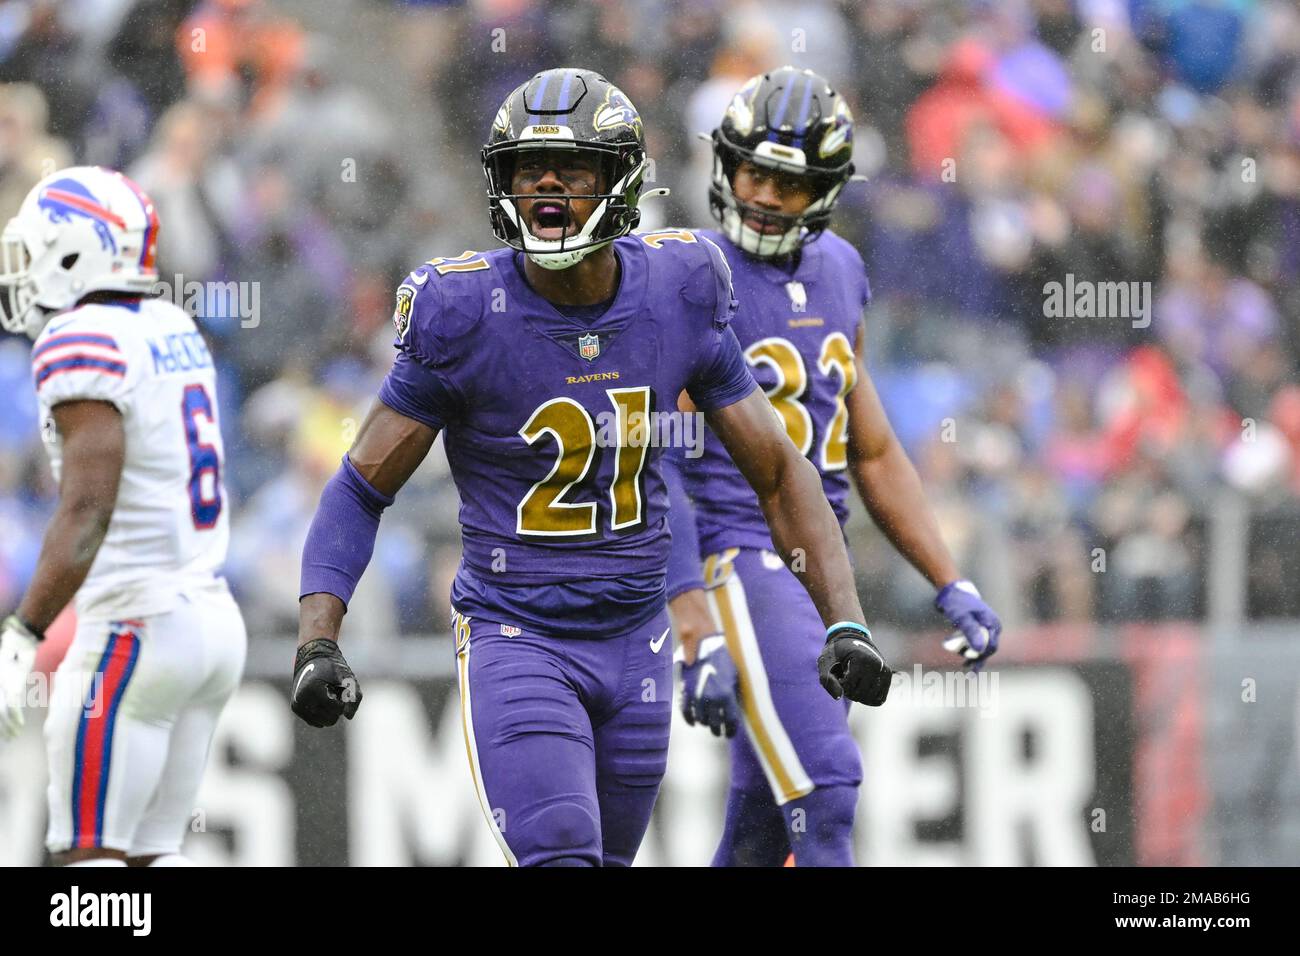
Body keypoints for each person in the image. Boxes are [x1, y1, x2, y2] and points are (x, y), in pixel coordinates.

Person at [292, 68, 891, 867]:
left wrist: (843, 616)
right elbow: (362, 486)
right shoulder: (461, 310)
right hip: (521, 634)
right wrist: (317, 641)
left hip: (635, 637)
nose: (544, 187)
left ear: (621, 179)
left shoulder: (679, 289)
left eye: (571, 168)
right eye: (525, 170)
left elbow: (780, 471)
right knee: (562, 853)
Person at [664, 67, 1003, 867]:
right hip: (736, 554)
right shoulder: (683, 274)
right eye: (751, 170)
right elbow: (659, 465)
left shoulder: (842, 271)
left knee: (757, 830)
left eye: (787, 181)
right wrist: (693, 628)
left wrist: (950, 579)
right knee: (825, 791)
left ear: (824, 190)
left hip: (819, 571)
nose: (762, 194)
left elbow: (871, 444)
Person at [0, 166, 245, 866]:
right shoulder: (172, 325)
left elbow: (85, 511)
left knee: (90, 876)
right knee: (150, 859)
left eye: (38, 248)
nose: (23, 269)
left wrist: (24, 631)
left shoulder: (81, 341)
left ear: (76, 253)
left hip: (135, 631)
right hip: (207, 623)